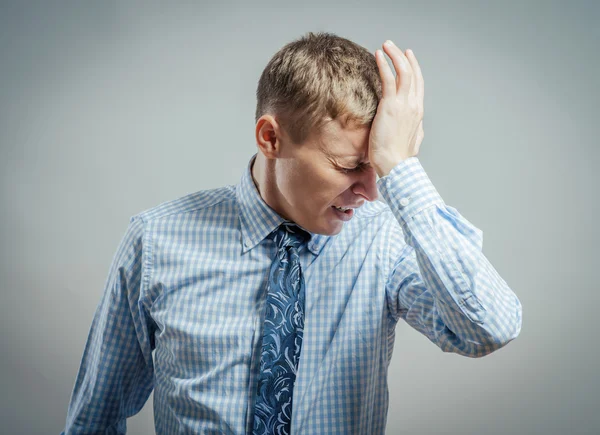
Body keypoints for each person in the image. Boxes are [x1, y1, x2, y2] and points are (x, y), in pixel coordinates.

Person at [61, 31, 522, 434]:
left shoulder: (386, 242)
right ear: (270, 138)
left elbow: (489, 328)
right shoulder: (156, 239)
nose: (371, 191)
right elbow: (93, 419)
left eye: (378, 165)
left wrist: (402, 169)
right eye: (349, 166)